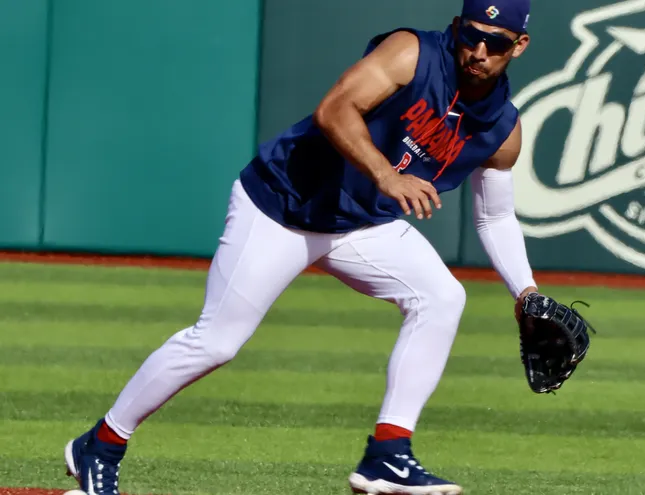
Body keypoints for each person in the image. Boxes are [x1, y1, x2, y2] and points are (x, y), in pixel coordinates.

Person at [63, 0, 535, 493]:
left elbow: (495, 216)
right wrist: (385, 174)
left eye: (496, 42)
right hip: (281, 206)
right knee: (216, 342)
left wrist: (525, 292)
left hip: (357, 224)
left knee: (442, 298)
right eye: (471, 35)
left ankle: (388, 453)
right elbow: (334, 109)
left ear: (518, 45)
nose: (479, 50)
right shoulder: (412, 54)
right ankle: (102, 442)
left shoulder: (502, 129)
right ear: (457, 27)